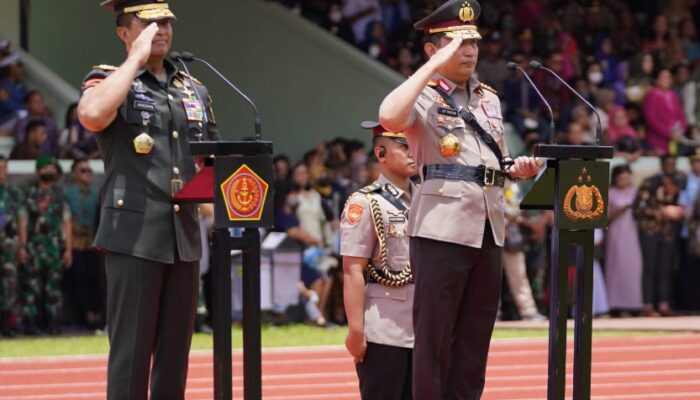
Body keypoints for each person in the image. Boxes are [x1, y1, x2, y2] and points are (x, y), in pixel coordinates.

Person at [378, 1, 539, 398]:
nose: (469, 51)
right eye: (456, 44)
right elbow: (389, 117)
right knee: (434, 334)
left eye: (473, 43)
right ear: (433, 50)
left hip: (488, 223)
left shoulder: (489, 98)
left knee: (475, 334)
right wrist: (431, 69)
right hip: (441, 224)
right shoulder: (422, 93)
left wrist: (514, 168)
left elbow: (491, 159)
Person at [77, 1, 219, 398]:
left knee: (176, 354)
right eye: (148, 22)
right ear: (124, 33)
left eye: (166, 21)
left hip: (183, 236)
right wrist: (135, 60)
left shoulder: (191, 87)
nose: (161, 29)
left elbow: (210, 156)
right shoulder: (107, 80)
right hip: (134, 234)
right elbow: (91, 116)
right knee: (132, 354)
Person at [341, 121, 418, 400]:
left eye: (415, 145)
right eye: (404, 146)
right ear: (380, 154)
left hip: (426, 327)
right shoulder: (365, 203)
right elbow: (352, 270)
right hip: (385, 329)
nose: (413, 152)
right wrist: (356, 331)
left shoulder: (426, 199)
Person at [21, 156, 72, 335]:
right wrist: (22, 246)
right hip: (34, 247)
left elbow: (66, 222)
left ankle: (54, 324)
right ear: (37, 172)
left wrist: (68, 249)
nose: (49, 171)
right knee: (32, 287)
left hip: (54, 247)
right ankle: (32, 324)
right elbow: (23, 219)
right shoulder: (29, 193)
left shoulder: (59, 194)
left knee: (54, 288)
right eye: (45, 168)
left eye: (51, 168)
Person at [63, 158, 103, 329]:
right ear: (74, 174)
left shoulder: (96, 193)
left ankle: (97, 315)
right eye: (83, 170)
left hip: (93, 241)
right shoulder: (68, 193)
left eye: (89, 170)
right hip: (75, 242)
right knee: (78, 280)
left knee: (96, 278)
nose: (87, 173)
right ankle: (84, 317)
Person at [605, 165, 643, 316]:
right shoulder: (610, 193)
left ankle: (635, 303)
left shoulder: (636, 192)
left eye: (627, 177)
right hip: (616, 233)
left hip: (633, 234)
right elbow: (606, 217)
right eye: (621, 178)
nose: (624, 180)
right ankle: (616, 304)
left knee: (634, 266)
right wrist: (623, 208)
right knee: (617, 266)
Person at [0, 155, 28, 336]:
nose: (1, 171)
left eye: (4, 167)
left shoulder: (14, 192)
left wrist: (23, 245)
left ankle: (7, 326)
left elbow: (21, 219)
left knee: (9, 286)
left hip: (9, 246)